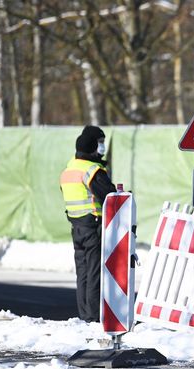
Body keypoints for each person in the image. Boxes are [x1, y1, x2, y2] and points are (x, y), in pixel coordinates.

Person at [59, 126, 116, 322]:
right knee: (94, 273)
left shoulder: (68, 170)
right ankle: (93, 317)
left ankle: (84, 314)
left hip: (77, 226)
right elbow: (108, 194)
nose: (102, 146)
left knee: (82, 273)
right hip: (93, 225)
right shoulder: (91, 170)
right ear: (92, 145)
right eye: (100, 142)